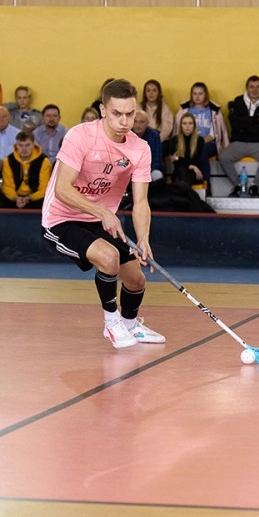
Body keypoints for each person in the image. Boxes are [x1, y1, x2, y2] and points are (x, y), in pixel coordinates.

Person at [40, 78, 165, 349]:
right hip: (61, 219)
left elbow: (141, 202)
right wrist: (102, 212)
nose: (124, 121)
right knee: (108, 258)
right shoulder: (81, 136)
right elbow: (62, 189)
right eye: (117, 113)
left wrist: (143, 238)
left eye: (130, 114)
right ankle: (112, 323)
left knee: (136, 279)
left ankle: (130, 325)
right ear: (103, 110)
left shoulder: (139, 148)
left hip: (99, 220)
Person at [218, 75, 259, 197]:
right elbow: (235, 124)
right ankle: (237, 186)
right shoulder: (237, 102)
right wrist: (255, 120)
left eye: (258, 87)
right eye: (251, 87)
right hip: (239, 142)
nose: (254, 90)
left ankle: (255, 186)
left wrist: (244, 127)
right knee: (223, 157)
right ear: (246, 88)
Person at [173, 81, 229, 191]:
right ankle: (181, 178)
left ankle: (206, 182)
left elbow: (215, 133)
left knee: (202, 149)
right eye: (195, 94)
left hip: (208, 142)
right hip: (187, 142)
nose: (197, 96)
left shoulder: (213, 111)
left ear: (205, 94)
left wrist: (198, 141)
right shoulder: (184, 110)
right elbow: (179, 129)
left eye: (200, 93)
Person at [0, 131, 52, 209]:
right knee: (1, 203)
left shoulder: (44, 161)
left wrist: (29, 198)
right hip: (15, 196)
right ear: (16, 146)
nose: (24, 149)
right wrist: (16, 198)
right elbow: (7, 186)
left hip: (36, 197)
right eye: (20, 145)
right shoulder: (8, 161)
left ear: (33, 145)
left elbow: (44, 188)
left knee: (44, 203)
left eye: (27, 145)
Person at [165, 112, 205, 187]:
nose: (187, 126)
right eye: (184, 123)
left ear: (194, 125)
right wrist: (191, 166)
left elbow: (196, 160)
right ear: (181, 125)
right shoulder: (175, 140)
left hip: (195, 173)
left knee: (183, 177)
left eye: (190, 123)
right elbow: (175, 161)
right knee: (182, 171)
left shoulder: (200, 140)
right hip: (179, 172)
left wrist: (179, 158)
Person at [132, 110, 164, 181]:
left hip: (149, 169)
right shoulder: (126, 135)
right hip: (131, 169)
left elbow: (157, 160)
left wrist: (145, 172)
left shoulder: (154, 135)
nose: (138, 125)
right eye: (135, 122)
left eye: (141, 122)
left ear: (147, 123)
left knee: (157, 175)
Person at [140, 79, 174, 143]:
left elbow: (167, 128)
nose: (151, 93)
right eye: (148, 91)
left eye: (154, 90)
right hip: (142, 140)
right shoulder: (139, 107)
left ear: (159, 93)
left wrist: (156, 140)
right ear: (145, 93)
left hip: (160, 140)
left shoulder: (165, 108)